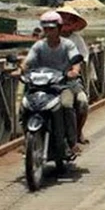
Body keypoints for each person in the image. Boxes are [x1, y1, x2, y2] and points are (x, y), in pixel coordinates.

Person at [13, 11, 82, 157]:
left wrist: (74, 71)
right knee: (24, 106)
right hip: (40, 85)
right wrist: (20, 70)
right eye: (46, 29)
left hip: (62, 85)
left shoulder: (68, 45)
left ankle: (72, 142)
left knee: (67, 105)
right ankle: (26, 140)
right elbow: (28, 61)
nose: (48, 32)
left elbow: (76, 60)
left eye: (52, 28)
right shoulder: (39, 46)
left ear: (59, 28)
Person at [57, 7, 91, 144]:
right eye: (63, 19)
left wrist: (74, 70)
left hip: (69, 79)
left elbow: (82, 57)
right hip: (48, 79)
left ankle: (77, 133)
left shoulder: (77, 40)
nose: (66, 22)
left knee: (82, 102)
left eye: (70, 20)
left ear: (74, 23)